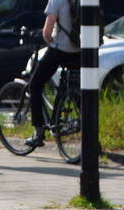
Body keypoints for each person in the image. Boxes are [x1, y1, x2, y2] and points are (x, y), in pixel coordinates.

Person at [25, 0, 80, 148]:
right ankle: (92, 139)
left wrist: (49, 40)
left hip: (60, 51)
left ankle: (38, 132)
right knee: (81, 94)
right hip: (80, 52)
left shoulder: (56, 0)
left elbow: (47, 33)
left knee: (35, 85)